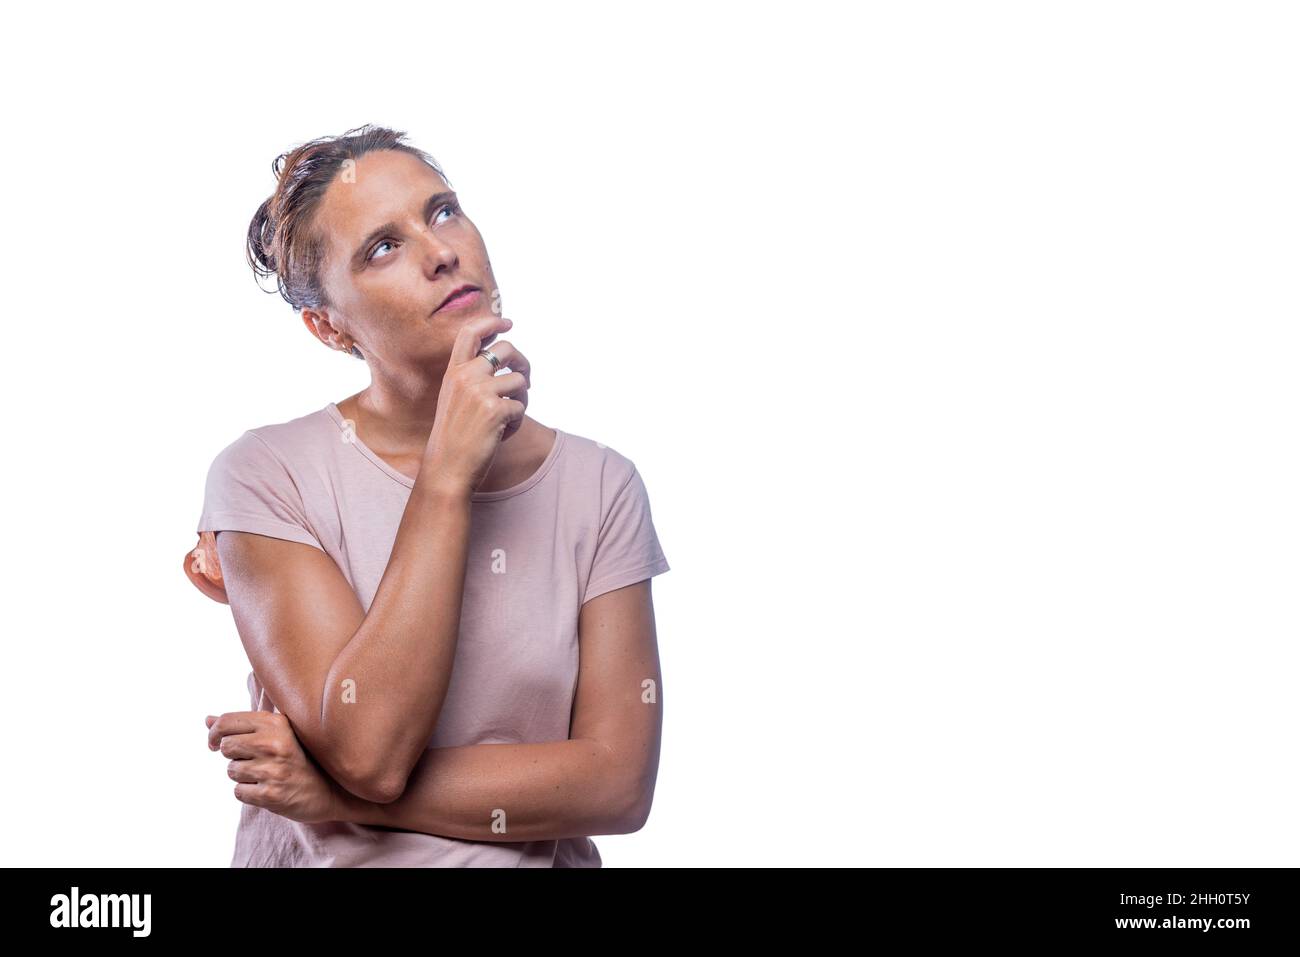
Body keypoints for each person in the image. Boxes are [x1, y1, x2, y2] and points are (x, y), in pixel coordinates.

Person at [184, 124, 670, 867]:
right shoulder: (264, 474)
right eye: (383, 246)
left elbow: (617, 783)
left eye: (442, 211)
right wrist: (447, 473)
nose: (440, 250)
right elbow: (370, 747)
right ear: (328, 327)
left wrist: (336, 794)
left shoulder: (602, 486)